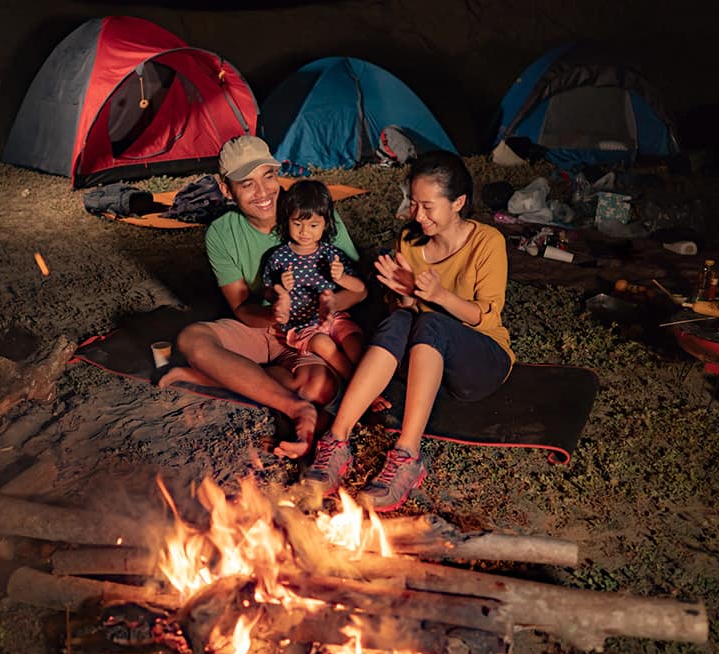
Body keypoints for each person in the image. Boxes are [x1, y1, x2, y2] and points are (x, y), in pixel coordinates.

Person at [303, 150, 516, 512]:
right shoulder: (410, 239)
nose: (418, 215)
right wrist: (403, 296)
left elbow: (487, 318)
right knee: (402, 319)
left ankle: (407, 454)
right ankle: (337, 441)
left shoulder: (487, 242)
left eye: (428, 206)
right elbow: (405, 312)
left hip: (480, 362)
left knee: (433, 320)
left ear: (458, 203)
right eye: (414, 204)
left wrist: (437, 295)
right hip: (424, 356)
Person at [159, 136, 366, 456]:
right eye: (247, 184)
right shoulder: (221, 232)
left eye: (268, 177)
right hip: (263, 325)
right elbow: (241, 306)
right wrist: (273, 316)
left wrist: (328, 307)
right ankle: (298, 410)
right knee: (192, 339)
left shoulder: (311, 211)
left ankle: (216, 377)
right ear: (226, 189)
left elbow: (356, 286)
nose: (263, 192)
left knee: (317, 387)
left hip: (310, 329)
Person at [263, 180, 367, 381]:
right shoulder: (279, 257)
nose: (304, 232)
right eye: (297, 223)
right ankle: (353, 381)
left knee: (353, 341)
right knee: (323, 344)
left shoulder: (331, 254)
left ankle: (368, 382)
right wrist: (280, 288)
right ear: (287, 221)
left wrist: (341, 277)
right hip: (302, 325)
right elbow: (267, 291)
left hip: (334, 318)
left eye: (313, 225)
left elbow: (360, 288)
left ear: (325, 224)